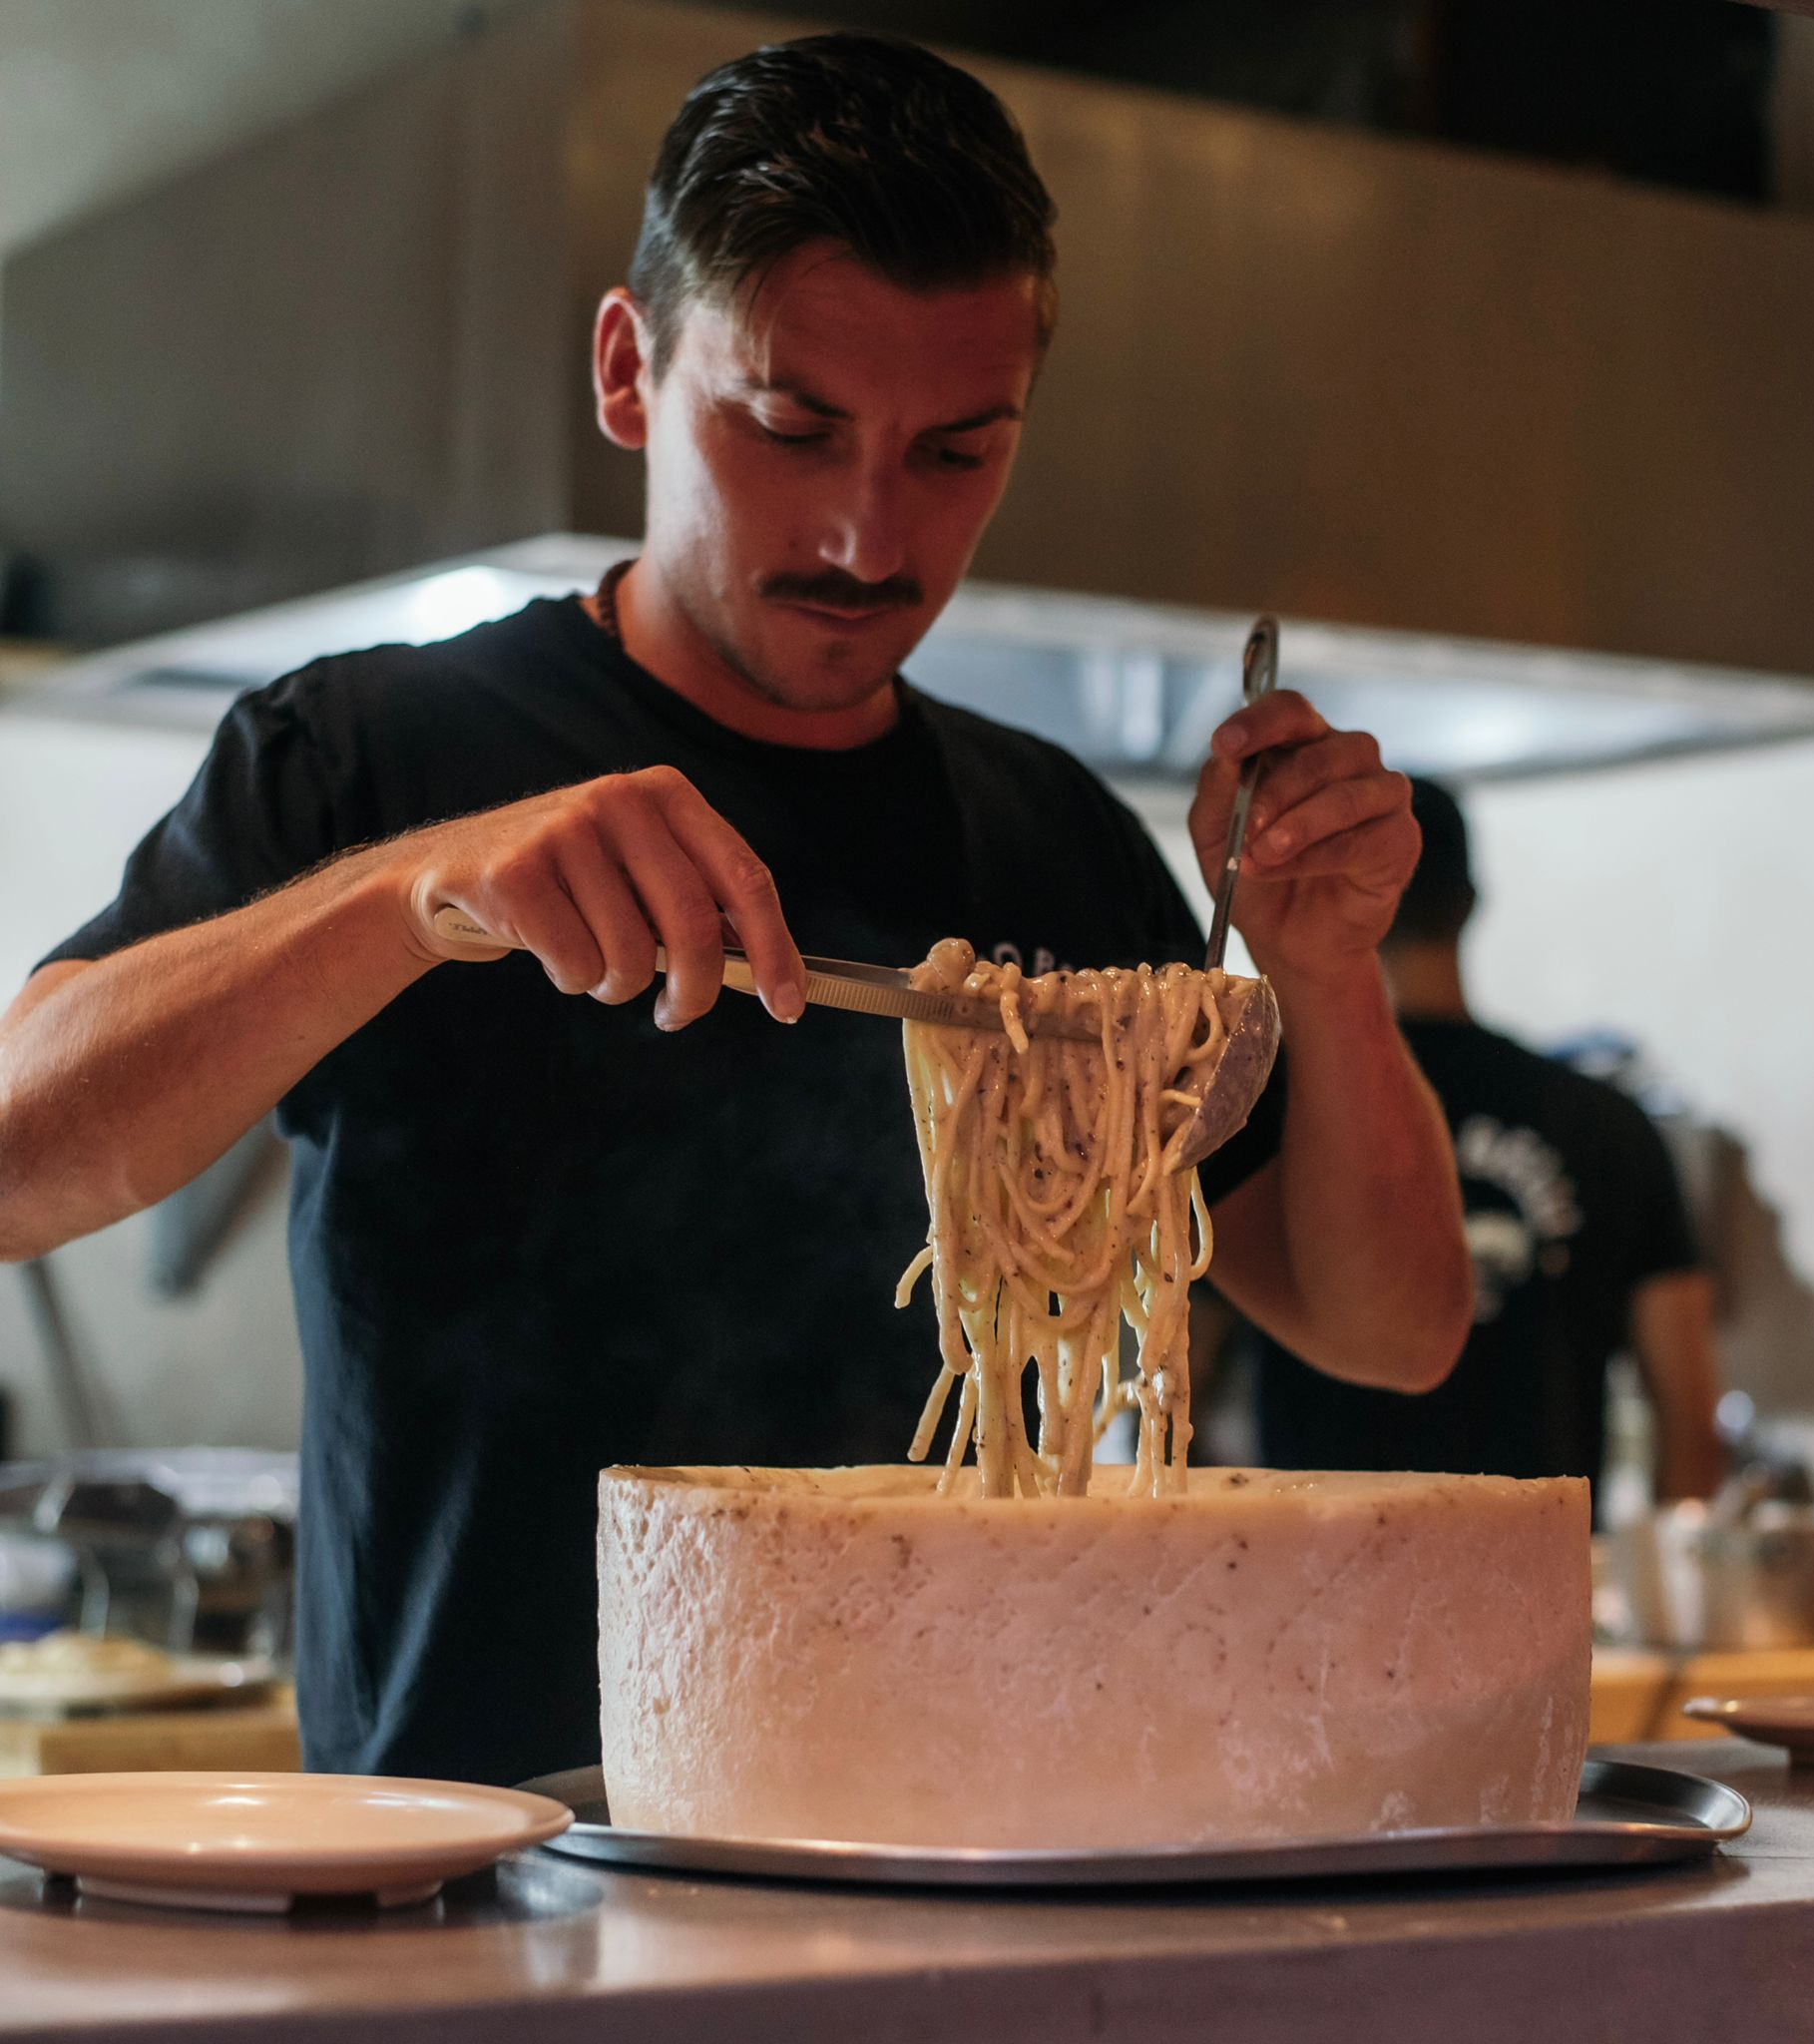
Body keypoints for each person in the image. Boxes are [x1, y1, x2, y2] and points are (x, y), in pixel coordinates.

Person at [0, 35, 1470, 1785]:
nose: (867, 535)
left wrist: (1323, 970)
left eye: (955, 451)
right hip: (471, 1856)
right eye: (790, 428)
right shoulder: (366, 758)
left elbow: (1390, 1330)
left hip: (957, 1834)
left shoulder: (1052, 836)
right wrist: (408, 900)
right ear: (630, 372)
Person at [1252, 776, 1722, 1507]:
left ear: (1326, 897)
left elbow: (1179, 1371)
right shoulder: (1609, 1126)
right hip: (1542, 1569)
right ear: (1469, 905)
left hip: (1311, 1565)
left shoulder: (1269, 1114)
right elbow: (1692, 1424)